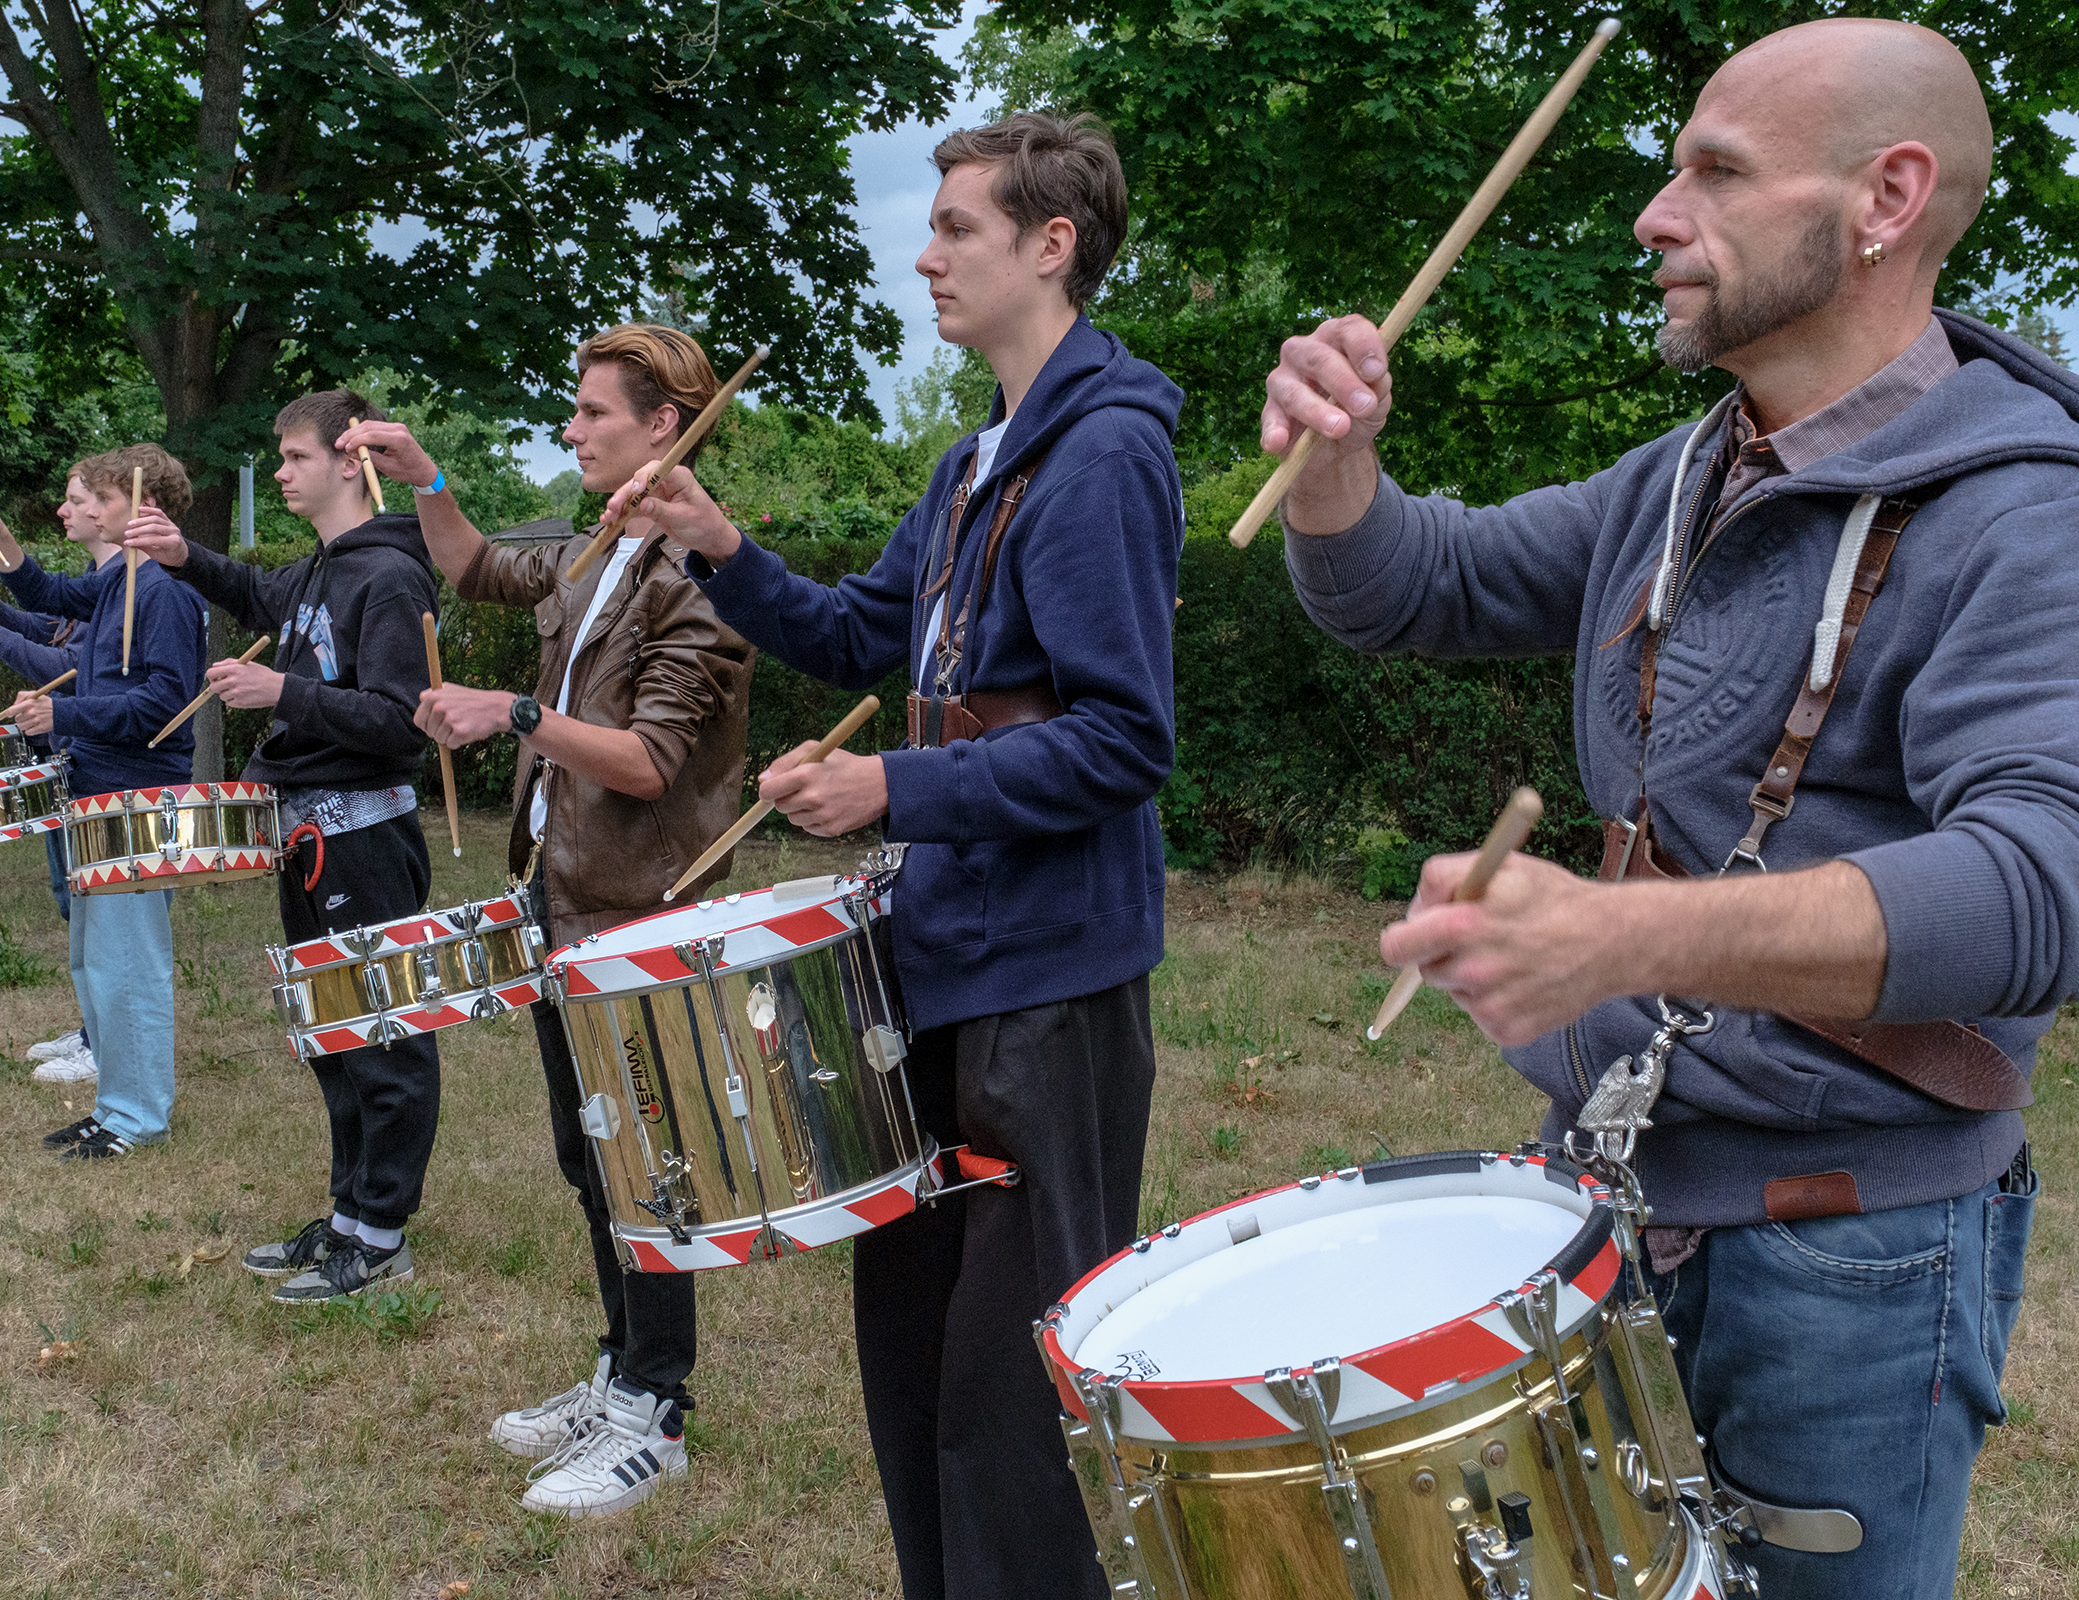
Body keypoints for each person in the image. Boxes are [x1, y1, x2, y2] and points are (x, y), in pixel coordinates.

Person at [1257, 20, 2067, 1597]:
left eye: (1716, 170)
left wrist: (1623, 932)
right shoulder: (1685, 477)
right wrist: (1338, 468)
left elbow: (2044, 888)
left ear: (1886, 197)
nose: (1654, 211)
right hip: (1603, 1207)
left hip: (1850, 1254)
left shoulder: (2025, 514)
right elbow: (1420, 586)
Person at [614, 115, 1184, 1598]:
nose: (923, 255)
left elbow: (1125, 741)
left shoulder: (1106, 454)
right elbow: (869, 632)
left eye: (956, 228)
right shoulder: (974, 459)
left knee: (1014, 1399)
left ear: (1050, 245)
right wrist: (716, 542)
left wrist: (894, 784)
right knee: (919, 1369)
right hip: (934, 967)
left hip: (1048, 984)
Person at [345, 323, 755, 1518]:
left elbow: (645, 763)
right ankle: (620, 1369)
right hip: (556, 904)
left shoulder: (696, 586)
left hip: (635, 915)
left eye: (591, 412)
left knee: (648, 1165)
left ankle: (655, 1411)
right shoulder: (592, 553)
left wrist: (511, 710)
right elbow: (473, 566)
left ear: (663, 427)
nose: (570, 429)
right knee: (588, 1153)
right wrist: (424, 476)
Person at [120, 390, 442, 1306]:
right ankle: (347, 1216)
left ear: (352, 460)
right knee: (330, 1036)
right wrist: (183, 556)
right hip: (307, 836)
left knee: (382, 1036)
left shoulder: (391, 577)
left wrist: (280, 693)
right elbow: (256, 592)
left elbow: (395, 721)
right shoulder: (321, 570)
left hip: (364, 836)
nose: (283, 472)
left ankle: (383, 1236)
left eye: (295, 457)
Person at [0, 447, 209, 1159]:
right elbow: (43, 594)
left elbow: (162, 706)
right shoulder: (118, 585)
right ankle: (114, 1105)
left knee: (131, 963)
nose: (71, 508)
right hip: (96, 789)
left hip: (135, 795)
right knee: (96, 961)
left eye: (85, 496)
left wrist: (63, 718)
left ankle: (138, 1116)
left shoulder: (166, 594)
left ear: (133, 506)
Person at [0, 509, 96, 1084]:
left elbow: (79, 668)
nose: (64, 509)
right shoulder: (100, 577)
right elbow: (55, 631)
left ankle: (106, 1043)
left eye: (80, 498)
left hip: (103, 769)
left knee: (102, 918)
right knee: (74, 904)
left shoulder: (143, 583)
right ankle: (93, 1030)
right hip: (67, 761)